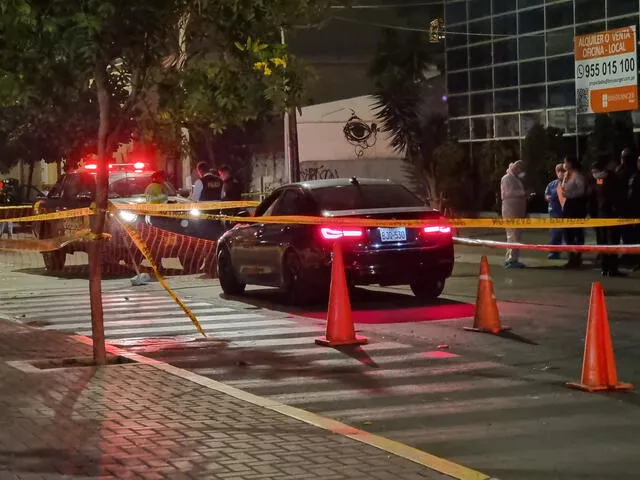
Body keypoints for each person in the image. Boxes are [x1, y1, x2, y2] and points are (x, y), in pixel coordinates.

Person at [590, 157, 625, 277]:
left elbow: (601, 195)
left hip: (606, 215)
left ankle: (608, 267)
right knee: (608, 242)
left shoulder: (604, 179)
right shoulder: (605, 178)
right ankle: (609, 267)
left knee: (607, 242)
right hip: (606, 215)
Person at [561, 156, 588, 269]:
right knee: (568, 233)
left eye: (565, 162)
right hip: (568, 206)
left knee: (577, 232)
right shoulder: (567, 175)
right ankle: (571, 257)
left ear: (571, 163)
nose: (564, 164)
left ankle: (577, 257)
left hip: (576, 206)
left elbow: (581, 191)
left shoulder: (577, 175)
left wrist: (569, 195)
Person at [500, 159, 527, 269]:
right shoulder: (507, 178)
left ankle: (512, 259)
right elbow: (508, 193)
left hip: (516, 209)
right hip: (510, 210)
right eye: (518, 168)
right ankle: (511, 260)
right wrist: (523, 193)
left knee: (515, 235)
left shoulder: (516, 179)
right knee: (512, 235)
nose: (520, 171)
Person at [544, 163, 566, 260]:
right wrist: (550, 197)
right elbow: (547, 195)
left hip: (565, 212)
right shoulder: (551, 184)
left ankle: (573, 253)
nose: (560, 173)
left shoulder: (568, 183)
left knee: (567, 234)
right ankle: (553, 252)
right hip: (554, 212)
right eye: (558, 171)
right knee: (555, 233)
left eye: (562, 171)